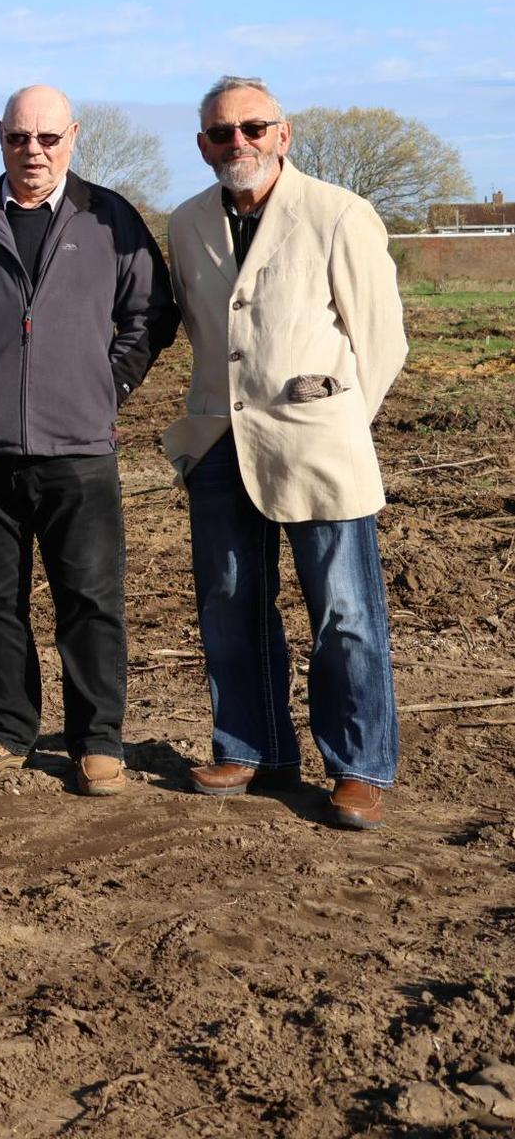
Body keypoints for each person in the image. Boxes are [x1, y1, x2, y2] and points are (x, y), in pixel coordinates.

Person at [0, 85, 174, 797]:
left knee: (89, 597)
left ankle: (96, 741)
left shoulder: (108, 219)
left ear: (72, 136)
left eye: (48, 139)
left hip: (78, 451)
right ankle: (4, 729)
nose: (33, 152)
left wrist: (104, 388)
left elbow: (150, 314)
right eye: (20, 138)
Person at [164, 77, 408, 830]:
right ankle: (250, 746)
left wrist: (334, 420)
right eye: (219, 132)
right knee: (229, 606)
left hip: (318, 444)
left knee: (344, 613)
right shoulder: (184, 223)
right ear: (201, 143)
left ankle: (357, 766)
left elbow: (381, 338)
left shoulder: (337, 214)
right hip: (216, 438)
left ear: (282, 133)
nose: (236, 142)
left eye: (251, 127)